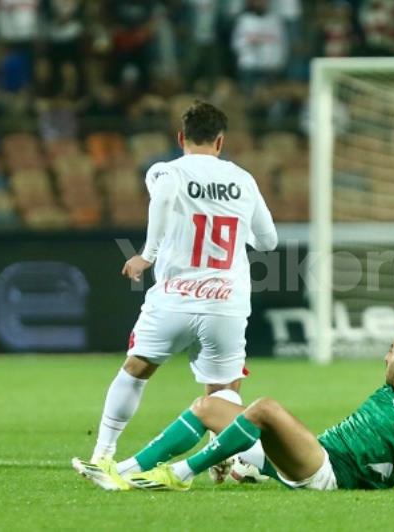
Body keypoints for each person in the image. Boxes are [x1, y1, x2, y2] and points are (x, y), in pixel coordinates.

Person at [78, 101, 278, 468]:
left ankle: (103, 453)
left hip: (176, 298)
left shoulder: (166, 171)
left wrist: (147, 254)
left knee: (136, 369)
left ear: (181, 137)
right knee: (225, 390)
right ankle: (240, 464)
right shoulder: (244, 179)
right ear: (220, 141)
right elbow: (268, 242)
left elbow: (164, 199)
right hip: (225, 301)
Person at [74, 330, 394, 492]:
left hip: (331, 474)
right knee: (210, 405)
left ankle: (179, 476)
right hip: (312, 456)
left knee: (264, 408)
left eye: (390, 352)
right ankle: (123, 470)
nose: (384, 358)